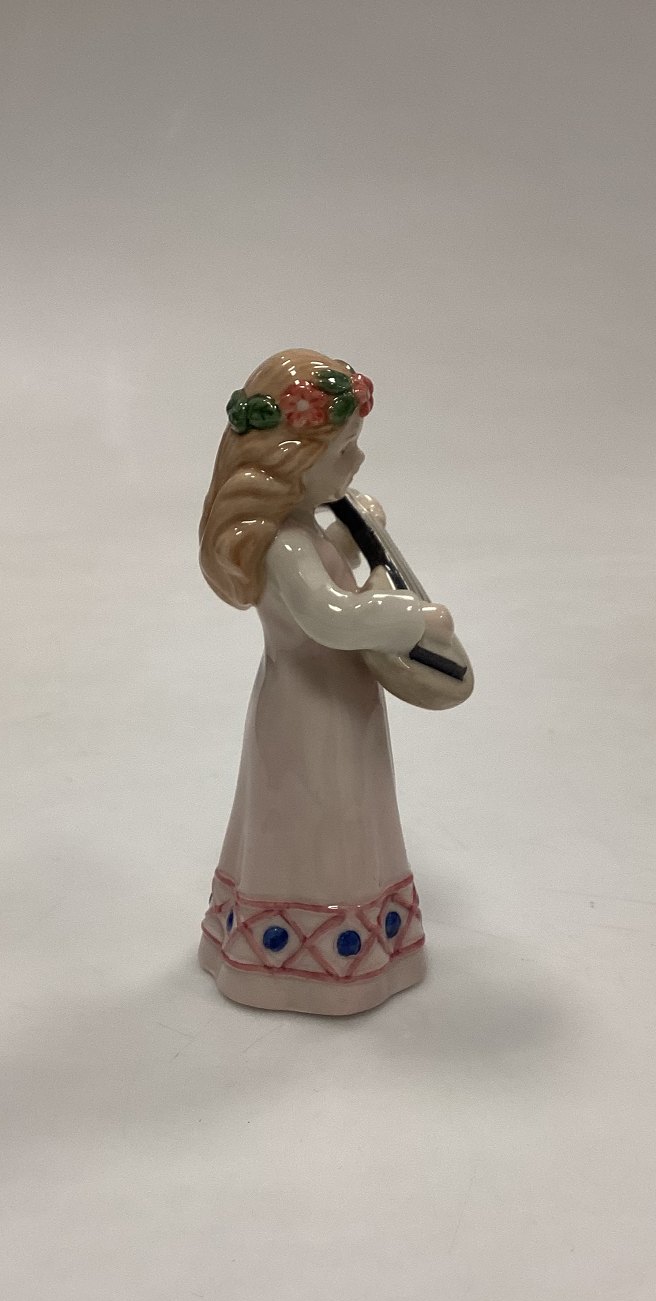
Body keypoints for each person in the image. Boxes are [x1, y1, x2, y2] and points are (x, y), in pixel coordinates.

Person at [198, 350, 453, 1015]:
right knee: (322, 812)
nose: (357, 461)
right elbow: (331, 617)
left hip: (334, 698)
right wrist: (411, 616)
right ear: (294, 461)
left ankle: (312, 943)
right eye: (344, 450)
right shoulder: (284, 543)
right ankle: (318, 950)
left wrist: (347, 534)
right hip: (312, 709)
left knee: (341, 811)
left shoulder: (300, 532)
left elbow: (327, 575)